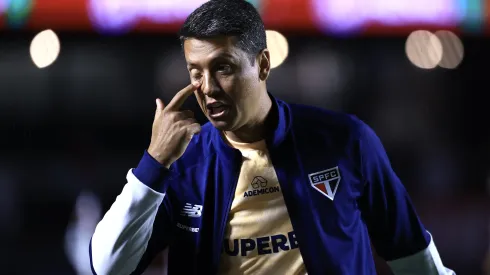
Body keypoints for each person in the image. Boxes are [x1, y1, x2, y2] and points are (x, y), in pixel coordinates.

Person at [89, 0, 455, 274]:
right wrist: (153, 164)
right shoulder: (181, 164)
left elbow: (411, 254)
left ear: (263, 64)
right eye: (195, 72)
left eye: (224, 68)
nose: (208, 88)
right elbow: (107, 268)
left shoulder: (345, 140)